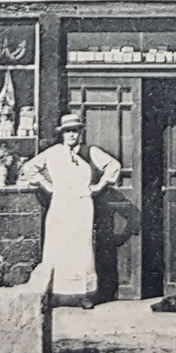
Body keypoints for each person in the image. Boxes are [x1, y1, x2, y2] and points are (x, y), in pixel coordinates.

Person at [18, 112, 121, 308]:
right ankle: (53, 294)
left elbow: (114, 166)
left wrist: (98, 186)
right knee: (57, 246)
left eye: (75, 131)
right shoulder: (54, 152)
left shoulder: (90, 152)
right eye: (67, 132)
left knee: (81, 249)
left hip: (82, 204)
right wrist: (47, 186)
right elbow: (29, 168)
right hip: (60, 203)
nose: (71, 135)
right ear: (62, 134)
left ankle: (85, 295)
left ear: (81, 132)